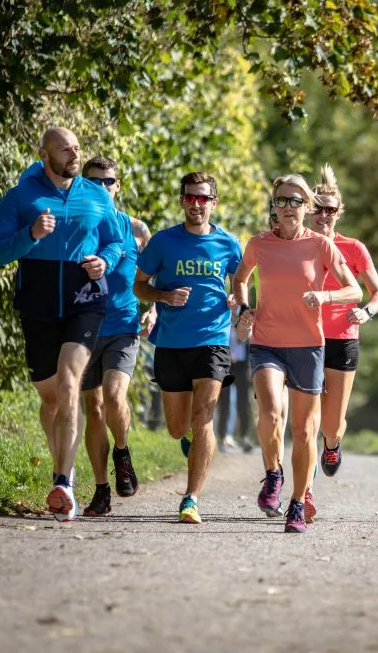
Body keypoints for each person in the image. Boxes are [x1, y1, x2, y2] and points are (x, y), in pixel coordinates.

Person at [0, 126, 124, 522]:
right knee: (50, 399)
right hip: (38, 304)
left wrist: (105, 262)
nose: (74, 155)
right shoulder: (23, 196)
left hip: (85, 301)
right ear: (44, 154)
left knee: (68, 383)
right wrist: (30, 234)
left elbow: (116, 243)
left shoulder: (96, 195)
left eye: (77, 147)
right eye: (65, 150)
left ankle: (64, 481)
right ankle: (64, 464)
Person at [230, 174, 362, 533]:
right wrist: (243, 310)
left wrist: (325, 297)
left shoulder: (320, 245)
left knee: (305, 431)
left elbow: (354, 291)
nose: (288, 207)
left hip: (308, 345)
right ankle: (273, 473)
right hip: (268, 341)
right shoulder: (259, 244)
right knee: (271, 413)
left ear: (307, 206)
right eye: (281, 201)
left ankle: (298, 503)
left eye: (295, 201)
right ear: (273, 205)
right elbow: (240, 278)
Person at [133, 172, 242, 523]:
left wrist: (235, 300)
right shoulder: (163, 242)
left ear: (214, 202)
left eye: (203, 198)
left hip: (212, 340)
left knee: (203, 418)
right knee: (178, 427)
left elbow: (242, 286)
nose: (196, 204)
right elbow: (139, 286)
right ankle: (190, 444)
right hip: (170, 342)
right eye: (190, 198)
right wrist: (163, 295)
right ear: (182, 200)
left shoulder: (228, 243)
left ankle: (190, 498)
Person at [78, 156, 157, 517]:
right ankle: (101, 490)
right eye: (94, 182)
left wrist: (153, 309)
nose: (102, 188)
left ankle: (122, 450)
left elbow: (152, 280)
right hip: (81, 329)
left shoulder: (137, 229)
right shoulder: (76, 226)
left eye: (108, 181)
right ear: (84, 184)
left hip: (123, 327)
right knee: (92, 409)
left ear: (118, 185)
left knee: (112, 397)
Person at [306, 164, 378, 477]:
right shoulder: (298, 245)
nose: (323, 215)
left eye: (330, 210)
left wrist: (366, 312)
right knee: (307, 420)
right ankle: (305, 489)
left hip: (342, 338)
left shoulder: (353, 248)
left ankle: (333, 442)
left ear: (339, 212)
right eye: (318, 209)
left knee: (332, 424)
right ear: (309, 211)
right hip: (302, 338)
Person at [215, 332, 253, 453]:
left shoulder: (247, 321)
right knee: (224, 403)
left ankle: (245, 437)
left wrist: (250, 367)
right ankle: (223, 437)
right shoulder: (225, 321)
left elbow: (251, 347)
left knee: (243, 404)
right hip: (227, 366)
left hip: (242, 367)